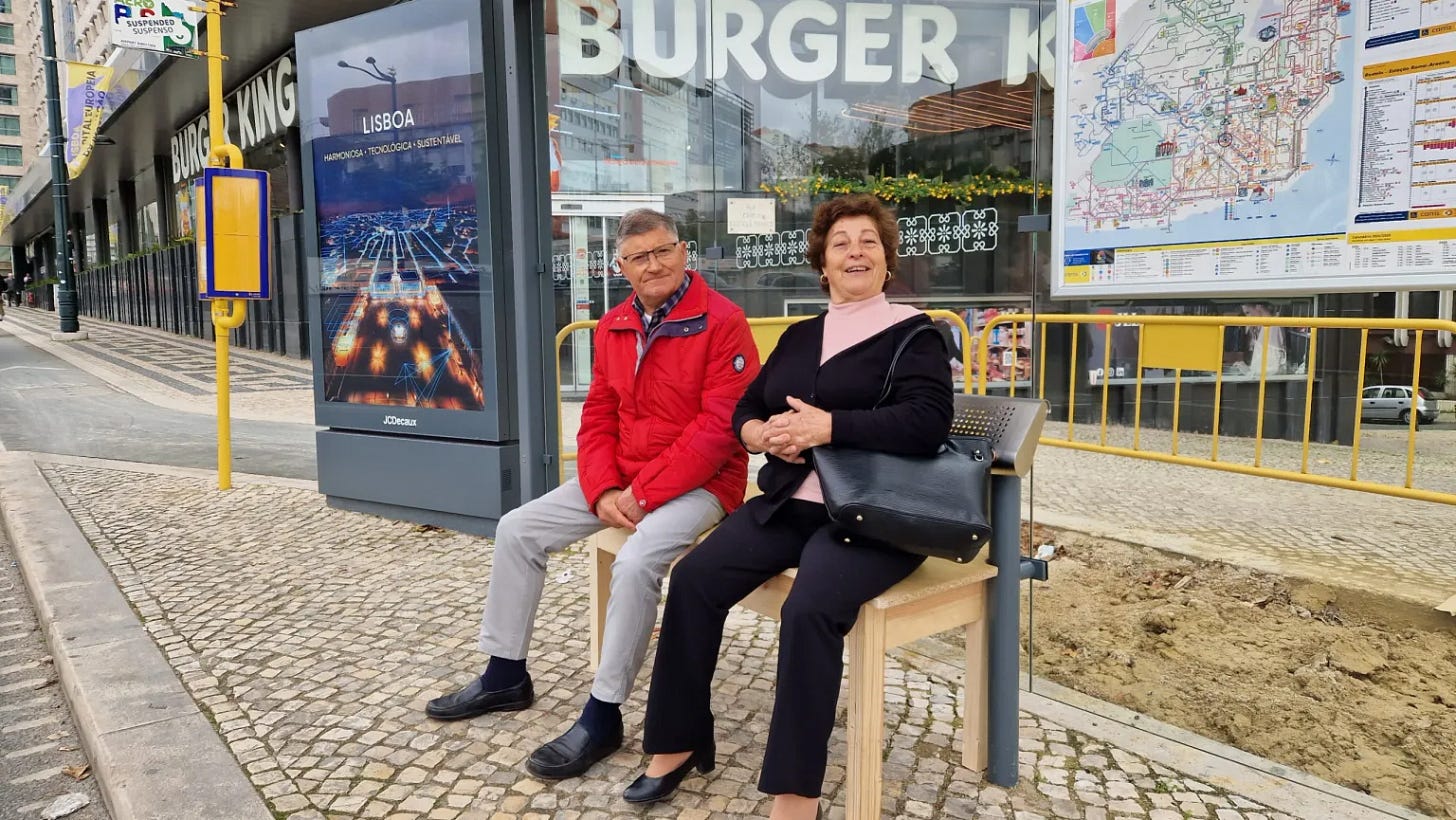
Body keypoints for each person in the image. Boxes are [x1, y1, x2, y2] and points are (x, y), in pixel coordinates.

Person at [624, 194, 953, 819]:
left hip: (872, 517)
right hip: (789, 503)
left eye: (868, 242)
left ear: (887, 261)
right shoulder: (803, 335)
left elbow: (927, 422)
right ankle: (678, 741)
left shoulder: (915, 333)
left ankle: (796, 791)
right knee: (693, 579)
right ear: (822, 266)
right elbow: (749, 405)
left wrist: (829, 427)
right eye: (841, 243)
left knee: (809, 610)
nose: (855, 251)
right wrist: (756, 435)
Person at [425, 208, 760, 781]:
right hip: (623, 478)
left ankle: (603, 713)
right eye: (639, 257)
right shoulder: (613, 325)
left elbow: (718, 429)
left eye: (663, 251)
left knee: (635, 563)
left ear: (684, 252)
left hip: (705, 484)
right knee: (517, 529)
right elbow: (599, 413)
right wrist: (604, 485)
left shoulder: (723, 321)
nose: (653, 265)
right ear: (620, 266)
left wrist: (643, 494)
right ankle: (506, 673)